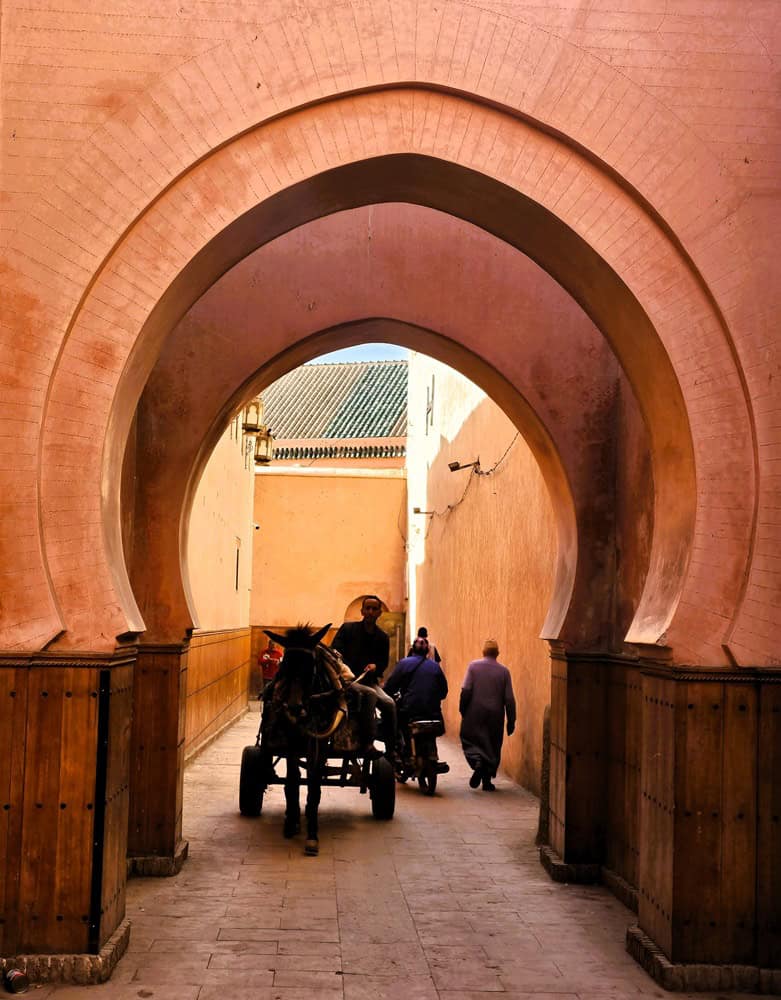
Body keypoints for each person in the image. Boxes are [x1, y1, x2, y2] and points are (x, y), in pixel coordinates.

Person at [331, 595, 398, 763]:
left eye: (374, 609)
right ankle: (367, 743)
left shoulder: (382, 638)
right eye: (367, 608)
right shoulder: (347, 630)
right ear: (362, 611)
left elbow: (383, 663)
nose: (370, 611)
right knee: (370, 695)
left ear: (379, 613)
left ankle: (392, 749)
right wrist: (345, 668)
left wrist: (376, 667)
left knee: (389, 704)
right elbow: (334, 653)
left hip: (368, 682)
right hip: (344, 683)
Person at [459, 639, 516, 791]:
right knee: (492, 744)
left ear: (483, 652)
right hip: (495, 716)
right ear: (497, 653)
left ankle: (477, 762)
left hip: (474, 712)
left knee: (471, 739)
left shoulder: (473, 666)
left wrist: (463, 709)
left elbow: (466, 690)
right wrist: (511, 720)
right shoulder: (504, 671)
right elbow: (509, 698)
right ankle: (487, 781)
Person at [385, 636, 448, 763]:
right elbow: (443, 691)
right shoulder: (435, 667)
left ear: (412, 649)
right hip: (432, 711)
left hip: (410, 710)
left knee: (393, 723)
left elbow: (390, 686)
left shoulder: (404, 663)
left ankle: (399, 752)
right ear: (427, 651)